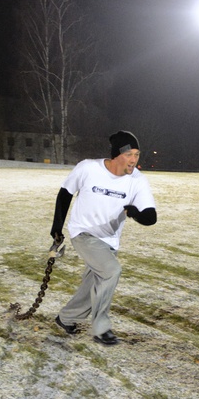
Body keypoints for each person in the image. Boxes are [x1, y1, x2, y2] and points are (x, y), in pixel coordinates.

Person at [49, 130, 157, 346]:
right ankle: (101, 328)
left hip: (109, 241)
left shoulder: (137, 180)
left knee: (94, 284)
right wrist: (57, 229)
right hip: (83, 233)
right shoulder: (88, 168)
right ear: (117, 154)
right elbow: (65, 194)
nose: (134, 160)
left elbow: (151, 217)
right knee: (111, 271)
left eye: (137, 154)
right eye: (129, 154)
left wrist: (135, 213)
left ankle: (66, 318)